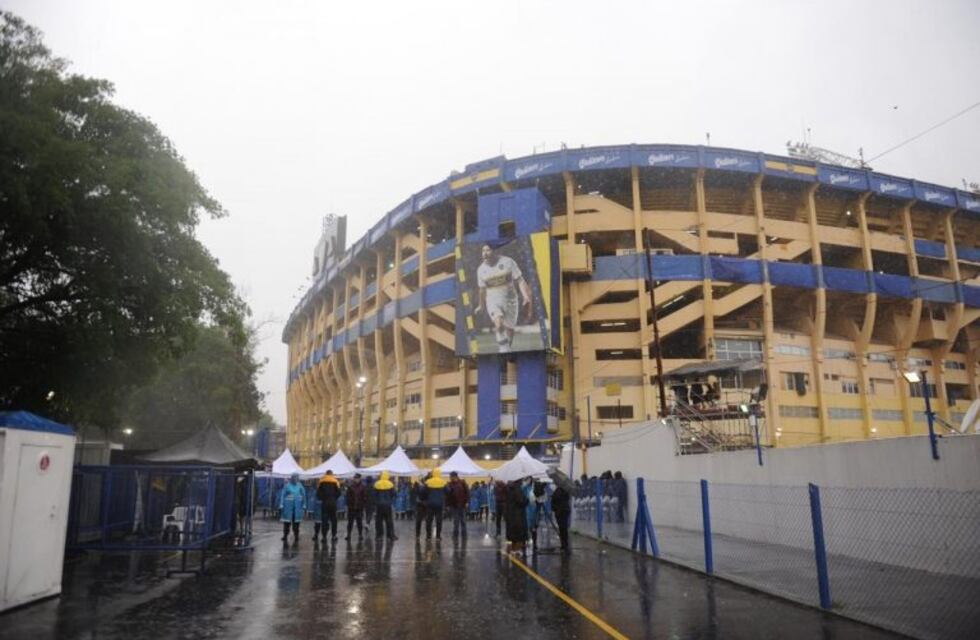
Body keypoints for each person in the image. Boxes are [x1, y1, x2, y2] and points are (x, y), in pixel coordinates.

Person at [474, 243, 532, 352]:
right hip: (493, 301)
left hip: (511, 301)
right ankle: (503, 350)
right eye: (483, 251)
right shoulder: (480, 270)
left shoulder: (508, 262)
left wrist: (525, 296)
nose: (485, 253)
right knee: (499, 324)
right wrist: (481, 305)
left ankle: (505, 350)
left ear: (495, 251)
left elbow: (520, 280)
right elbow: (482, 290)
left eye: (488, 250)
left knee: (509, 335)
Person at [314, 469, 341, 542]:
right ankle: (334, 536)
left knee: (324, 521)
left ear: (326, 474)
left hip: (325, 504)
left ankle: (324, 537)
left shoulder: (321, 481)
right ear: (332, 474)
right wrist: (334, 498)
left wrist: (323, 498)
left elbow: (318, 494)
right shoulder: (336, 481)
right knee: (334, 520)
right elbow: (339, 493)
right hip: (333, 503)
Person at [279, 472, 306, 543]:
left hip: (297, 507)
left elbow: (304, 495)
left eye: (297, 477)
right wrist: (281, 504)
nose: (296, 479)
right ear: (292, 478)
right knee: (287, 523)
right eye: (294, 477)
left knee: (296, 523)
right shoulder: (287, 486)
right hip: (288, 507)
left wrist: (304, 504)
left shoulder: (300, 486)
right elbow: (283, 495)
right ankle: (285, 535)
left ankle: (296, 536)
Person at [505, 478, 530, 555]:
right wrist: (527, 499)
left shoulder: (509, 488)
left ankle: (513, 549)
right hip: (518, 515)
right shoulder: (517, 488)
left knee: (513, 533)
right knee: (519, 533)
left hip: (511, 514)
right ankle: (517, 550)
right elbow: (521, 501)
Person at [424, 468, 447, 539]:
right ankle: (438, 536)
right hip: (439, 504)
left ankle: (428, 536)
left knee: (429, 521)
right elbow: (448, 491)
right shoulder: (443, 482)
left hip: (430, 504)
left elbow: (422, 491)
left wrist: (425, 498)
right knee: (439, 521)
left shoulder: (428, 482)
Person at [373, 471, 397, 541]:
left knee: (379, 521)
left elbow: (374, 495)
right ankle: (390, 535)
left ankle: (379, 536)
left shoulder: (376, 484)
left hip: (379, 506)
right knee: (389, 521)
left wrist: (376, 503)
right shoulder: (390, 484)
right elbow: (394, 494)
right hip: (387, 505)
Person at [446, 471, 470, 537]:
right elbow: (448, 496)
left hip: (462, 504)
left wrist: (467, 502)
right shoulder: (449, 484)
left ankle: (464, 534)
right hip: (454, 505)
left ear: (455, 476)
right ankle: (455, 534)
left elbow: (467, 493)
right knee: (456, 521)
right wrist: (447, 505)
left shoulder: (462, 482)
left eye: (450, 476)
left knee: (463, 521)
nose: (450, 478)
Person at [551, 482, 572, 554]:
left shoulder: (556, 492)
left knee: (561, 529)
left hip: (559, 513)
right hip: (564, 512)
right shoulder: (566, 491)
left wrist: (554, 509)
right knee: (564, 529)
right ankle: (565, 545)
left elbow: (553, 502)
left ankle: (563, 545)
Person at [345, 473, 367, 541]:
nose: (356, 479)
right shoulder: (350, 486)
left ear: (360, 479)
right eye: (355, 478)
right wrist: (348, 504)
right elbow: (347, 496)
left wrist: (363, 505)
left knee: (359, 522)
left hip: (359, 508)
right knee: (350, 522)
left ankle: (360, 535)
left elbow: (365, 497)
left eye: (357, 478)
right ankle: (348, 535)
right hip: (351, 507)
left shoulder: (363, 487)